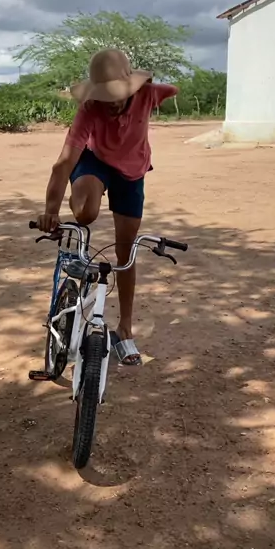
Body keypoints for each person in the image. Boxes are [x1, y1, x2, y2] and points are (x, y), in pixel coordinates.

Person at [36, 48, 178, 366]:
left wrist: (148, 87)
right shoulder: (89, 109)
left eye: (117, 94)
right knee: (86, 212)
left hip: (133, 171)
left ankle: (125, 330)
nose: (111, 102)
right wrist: (51, 210)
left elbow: (171, 89)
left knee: (126, 251)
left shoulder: (149, 95)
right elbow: (63, 163)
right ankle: (77, 220)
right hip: (95, 161)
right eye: (105, 95)